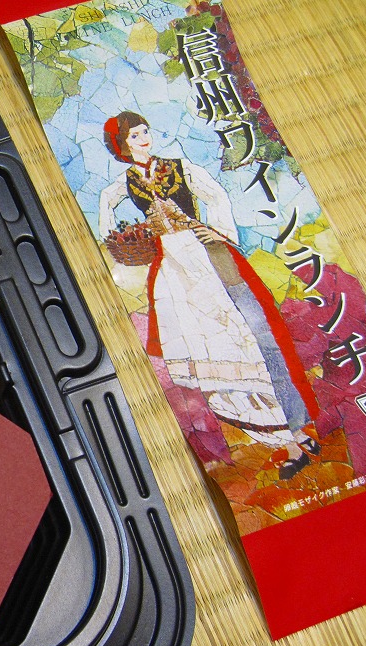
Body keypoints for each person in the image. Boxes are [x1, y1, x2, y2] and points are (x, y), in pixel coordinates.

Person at [99, 110, 320, 479]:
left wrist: (218, 231)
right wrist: (119, 240)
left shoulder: (178, 167)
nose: (143, 138)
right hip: (174, 269)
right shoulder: (125, 183)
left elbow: (215, 195)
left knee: (254, 335)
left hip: (210, 256)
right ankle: (286, 439)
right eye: (134, 135)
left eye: (145, 131)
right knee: (212, 348)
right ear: (122, 145)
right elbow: (106, 204)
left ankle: (295, 430)